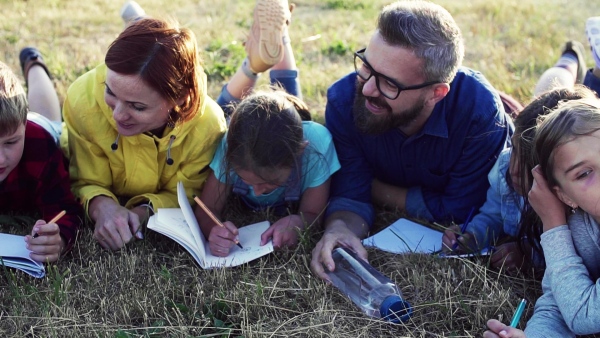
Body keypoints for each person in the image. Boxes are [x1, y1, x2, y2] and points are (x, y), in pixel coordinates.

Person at [310, 0, 513, 279]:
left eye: (390, 84)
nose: (368, 89)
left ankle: (571, 60)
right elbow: (350, 194)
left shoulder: (479, 115)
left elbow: (462, 208)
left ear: (436, 93)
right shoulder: (344, 100)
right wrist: (339, 229)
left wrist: (375, 188)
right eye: (367, 67)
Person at [61, 6, 227, 251]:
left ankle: (140, 22)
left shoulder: (209, 125)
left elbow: (189, 191)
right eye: (110, 92)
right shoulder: (81, 98)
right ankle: (34, 65)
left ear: (180, 99)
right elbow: (83, 178)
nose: (117, 114)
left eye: (137, 106)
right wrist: (102, 206)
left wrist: (143, 212)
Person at [195, 0, 340, 256]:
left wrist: (299, 222)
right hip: (243, 123)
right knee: (220, 109)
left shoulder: (317, 144)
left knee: (288, 97)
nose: (257, 191)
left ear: (301, 151)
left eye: (268, 184)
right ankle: (254, 63)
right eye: (249, 181)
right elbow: (206, 210)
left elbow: (313, 213)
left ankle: (279, 35)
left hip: (288, 126)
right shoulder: (230, 143)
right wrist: (213, 229)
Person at [441, 37, 600, 271]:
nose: (512, 168)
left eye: (525, 163)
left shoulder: (578, 192)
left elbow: (572, 254)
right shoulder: (505, 165)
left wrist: (530, 256)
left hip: (578, 126)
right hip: (551, 111)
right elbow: (492, 214)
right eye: (513, 149)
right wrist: (474, 234)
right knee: (553, 87)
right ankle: (570, 57)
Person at [484, 96, 600, 338]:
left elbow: (583, 315)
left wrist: (553, 225)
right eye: (585, 173)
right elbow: (557, 304)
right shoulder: (582, 225)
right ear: (565, 196)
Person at [0, 51, 83, 263]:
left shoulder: (40, 146)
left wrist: (60, 239)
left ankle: (34, 62)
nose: (1, 159)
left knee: (49, 118)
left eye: (10, 143)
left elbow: (65, 208)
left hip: (43, 129)